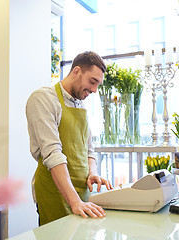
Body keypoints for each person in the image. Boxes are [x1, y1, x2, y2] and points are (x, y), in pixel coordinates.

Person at [26, 51, 113, 225]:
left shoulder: (80, 104)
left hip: (81, 194)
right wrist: (75, 202)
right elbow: (52, 154)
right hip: (55, 193)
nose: (95, 90)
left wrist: (92, 172)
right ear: (76, 72)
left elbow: (89, 149)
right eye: (92, 81)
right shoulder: (43, 98)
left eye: (98, 84)